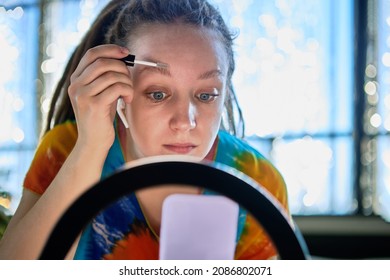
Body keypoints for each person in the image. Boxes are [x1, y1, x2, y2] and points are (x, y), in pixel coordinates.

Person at [0, 0, 289, 260]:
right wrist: (90, 147)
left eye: (206, 95)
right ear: (120, 89)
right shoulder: (66, 148)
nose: (185, 122)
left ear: (224, 92)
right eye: (158, 94)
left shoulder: (256, 179)